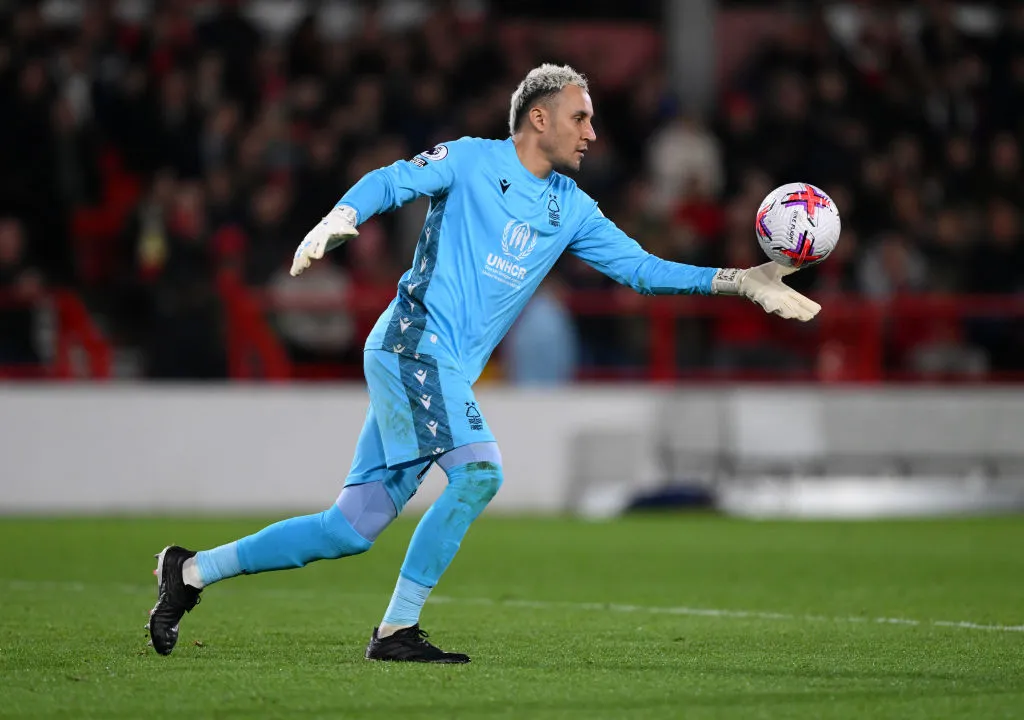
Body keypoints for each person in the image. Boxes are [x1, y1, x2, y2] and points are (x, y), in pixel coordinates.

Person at [147, 64, 820, 663]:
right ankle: (395, 631)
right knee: (478, 473)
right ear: (540, 117)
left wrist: (740, 280)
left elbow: (642, 270)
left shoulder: (572, 208)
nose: (591, 132)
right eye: (581, 116)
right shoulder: (470, 161)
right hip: (414, 344)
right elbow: (392, 180)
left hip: (435, 367)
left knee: (346, 530)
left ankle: (192, 572)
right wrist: (339, 216)